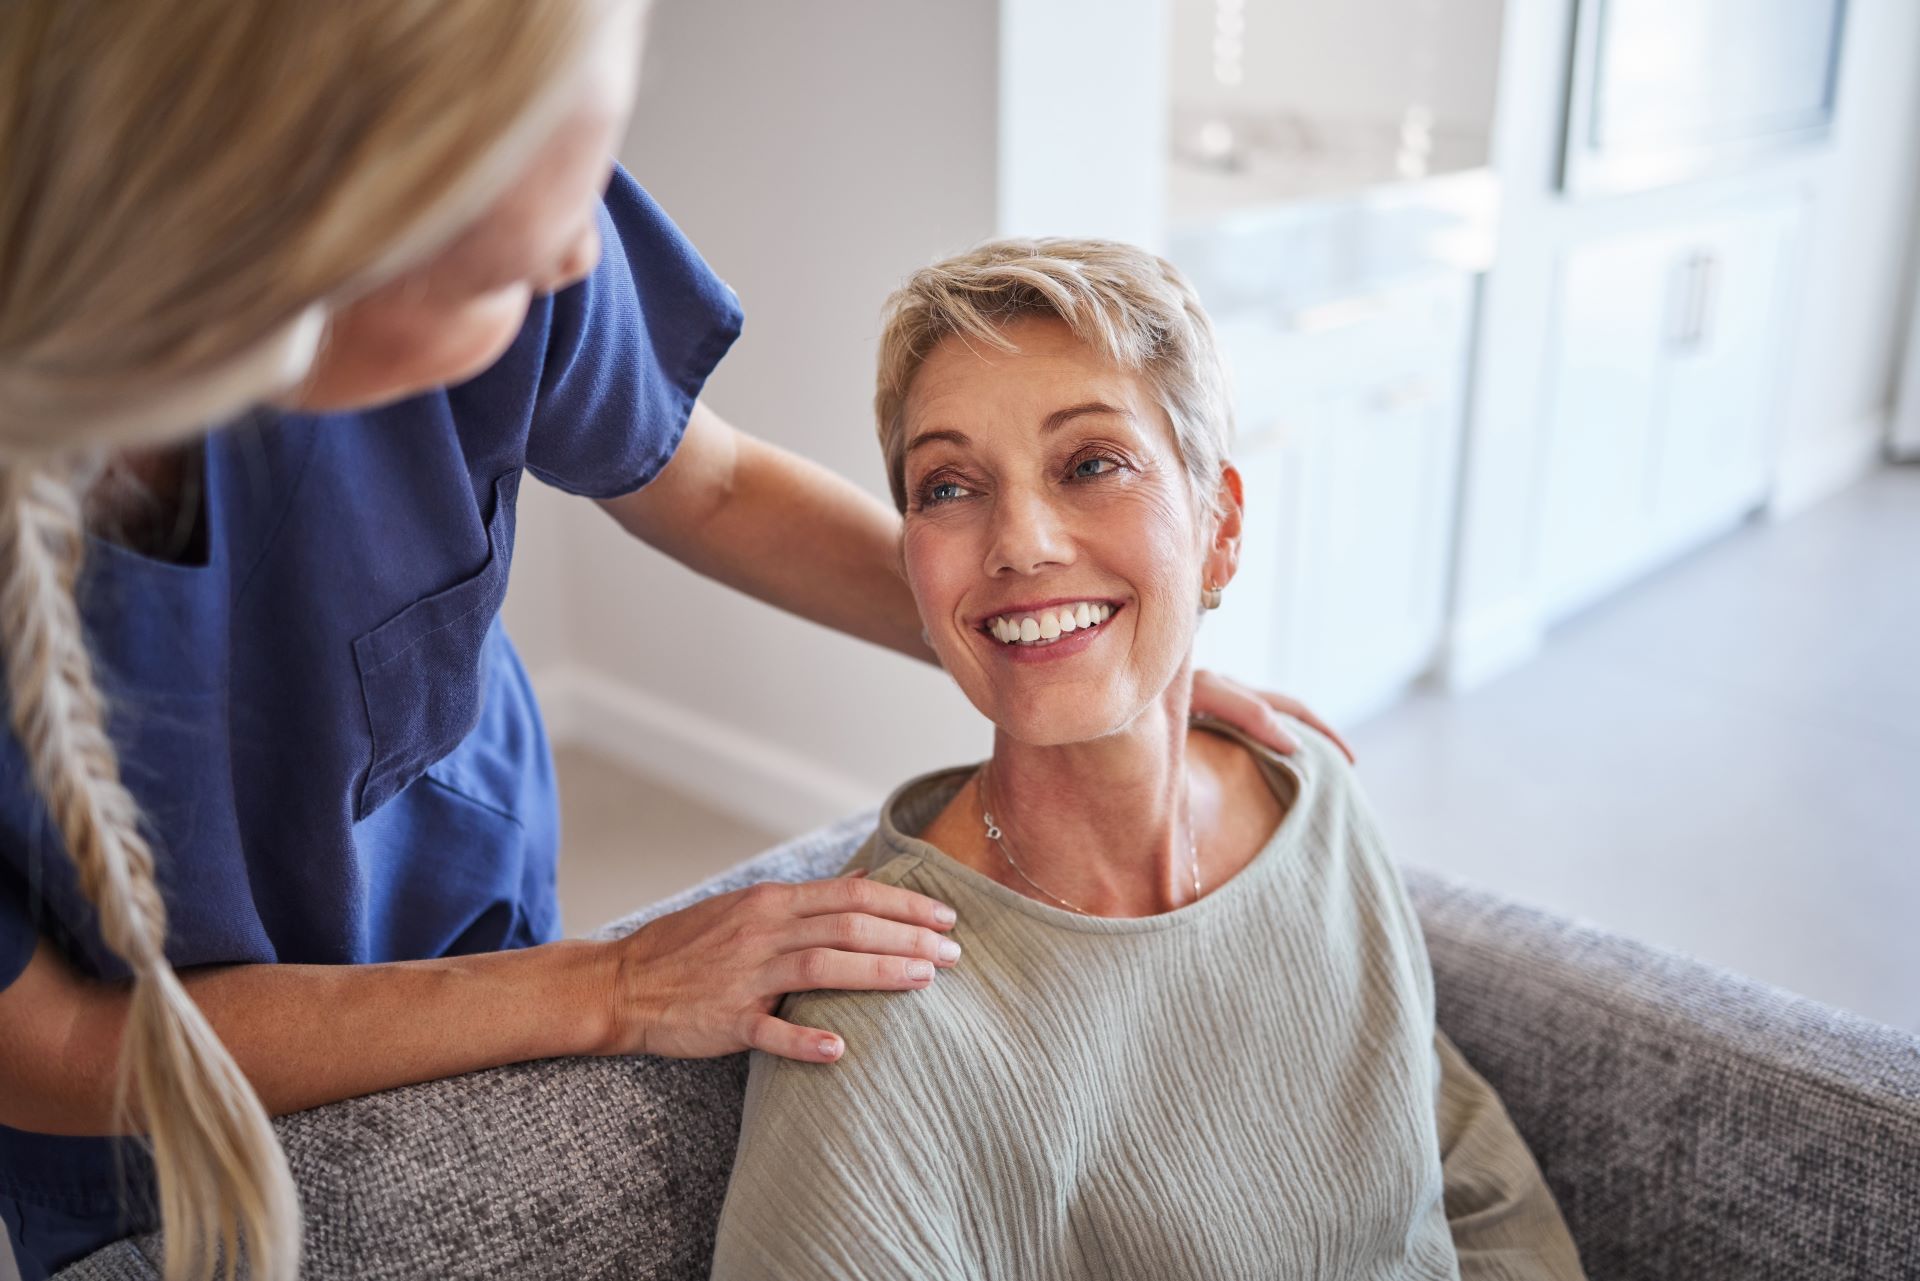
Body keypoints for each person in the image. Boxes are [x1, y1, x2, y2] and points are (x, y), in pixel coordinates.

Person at [0, 6, 1347, 1278]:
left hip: (464, 898)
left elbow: (699, 482)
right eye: (519, 259)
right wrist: (612, 986)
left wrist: (1064, 644)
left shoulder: (531, 205)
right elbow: (48, 1038)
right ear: (303, 249)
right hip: (143, 1105)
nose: (583, 264)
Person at [709, 240, 1587, 1279]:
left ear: (1221, 529)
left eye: (1091, 464)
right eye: (948, 486)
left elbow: (1465, 1179)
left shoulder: (1311, 792)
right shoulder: (881, 1001)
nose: (1020, 542)